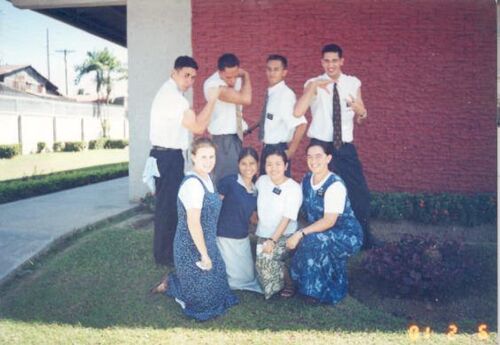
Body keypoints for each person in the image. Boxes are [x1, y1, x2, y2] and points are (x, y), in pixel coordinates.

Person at [293, 43, 375, 249]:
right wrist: (312, 88)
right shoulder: (312, 83)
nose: (330, 65)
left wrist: (361, 112)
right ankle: (321, 237)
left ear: (341, 61)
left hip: (344, 146)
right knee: (320, 193)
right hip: (320, 146)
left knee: (359, 192)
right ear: (322, 62)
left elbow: (361, 119)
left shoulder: (352, 83)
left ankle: (364, 238)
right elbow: (298, 112)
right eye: (327, 61)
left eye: (334, 61)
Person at [150, 138, 238, 321]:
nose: (208, 161)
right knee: (203, 304)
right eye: (203, 157)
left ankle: (176, 280)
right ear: (193, 157)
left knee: (221, 293)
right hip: (191, 246)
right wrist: (204, 254)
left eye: (212, 157)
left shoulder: (207, 177)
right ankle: (171, 284)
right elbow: (193, 223)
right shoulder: (192, 184)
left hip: (208, 243)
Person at [147, 56, 221, 266]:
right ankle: (165, 256)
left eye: (193, 77)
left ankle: (165, 252)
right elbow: (198, 127)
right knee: (168, 206)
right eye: (186, 75)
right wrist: (213, 100)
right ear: (174, 72)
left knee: (167, 205)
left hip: (165, 155)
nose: (189, 80)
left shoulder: (169, 92)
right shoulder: (174, 98)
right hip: (167, 156)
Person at [286, 142, 363, 304]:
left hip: (346, 234)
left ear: (328, 158)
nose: (313, 161)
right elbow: (295, 203)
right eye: (309, 157)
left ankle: (313, 292)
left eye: (318, 156)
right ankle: (299, 283)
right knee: (305, 239)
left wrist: (301, 233)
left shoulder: (335, 184)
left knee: (311, 241)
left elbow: (329, 221)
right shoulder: (307, 179)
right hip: (322, 230)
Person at [255, 148, 302, 299]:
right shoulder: (261, 181)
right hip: (263, 234)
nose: (273, 168)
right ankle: (278, 274)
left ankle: (289, 283)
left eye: (278, 164)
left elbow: (287, 218)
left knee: (265, 260)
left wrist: (272, 240)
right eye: (269, 164)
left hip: (284, 235)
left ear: (286, 166)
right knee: (262, 264)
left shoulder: (293, 188)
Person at [216, 147, 262, 293]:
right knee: (233, 282)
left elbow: (252, 217)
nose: (248, 167)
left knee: (247, 278)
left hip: (242, 237)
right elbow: (214, 208)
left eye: (252, 163)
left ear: (257, 165)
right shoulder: (229, 182)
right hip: (224, 236)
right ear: (238, 164)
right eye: (244, 163)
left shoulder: (256, 190)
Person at [204, 53, 252, 184]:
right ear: (219, 72)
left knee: (238, 179)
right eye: (228, 77)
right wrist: (246, 75)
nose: (232, 81)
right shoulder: (213, 85)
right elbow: (246, 99)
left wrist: (241, 77)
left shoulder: (236, 78)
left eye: (235, 76)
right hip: (223, 140)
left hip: (237, 137)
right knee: (226, 181)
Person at [258, 54, 307, 177]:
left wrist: (290, 152)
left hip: (278, 150)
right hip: (267, 149)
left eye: (276, 69)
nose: (271, 73)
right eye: (269, 69)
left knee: (277, 190)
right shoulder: (272, 93)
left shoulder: (285, 95)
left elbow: (301, 124)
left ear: (284, 72)